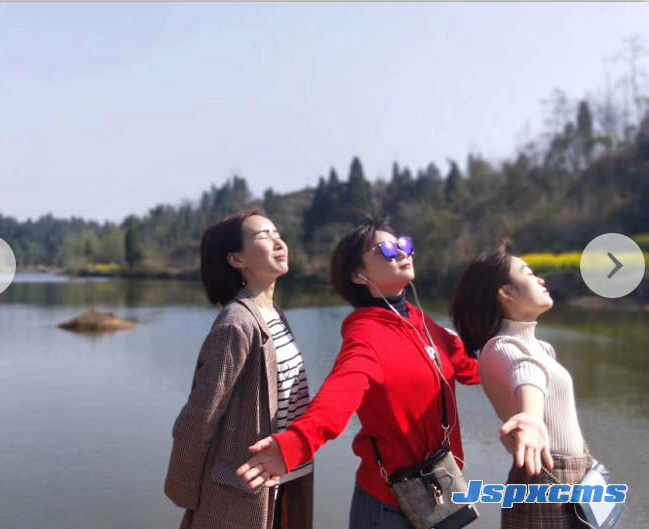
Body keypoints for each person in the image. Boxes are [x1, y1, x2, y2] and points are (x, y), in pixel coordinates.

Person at [236, 219, 480, 528]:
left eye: (403, 244)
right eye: (386, 249)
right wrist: (295, 445)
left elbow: (472, 371)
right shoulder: (367, 335)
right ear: (358, 275)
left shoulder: (423, 323)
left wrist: (510, 343)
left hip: (440, 488)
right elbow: (337, 399)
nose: (401, 252)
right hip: (389, 505)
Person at [164, 207, 313, 529]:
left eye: (277, 234)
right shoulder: (237, 324)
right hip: (243, 491)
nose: (278, 242)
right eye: (263, 236)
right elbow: (199, 416)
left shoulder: (275, 315)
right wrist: (186, 494)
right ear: (236, 259)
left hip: (288, 478)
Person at [450, 240, 590, 528]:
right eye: (528, 273)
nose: (541, 279)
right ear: (506, 292)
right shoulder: (499, 347)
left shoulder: (543, 348)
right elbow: (525, 372)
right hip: (544, 482)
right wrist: (530, 418)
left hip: (576, 476)